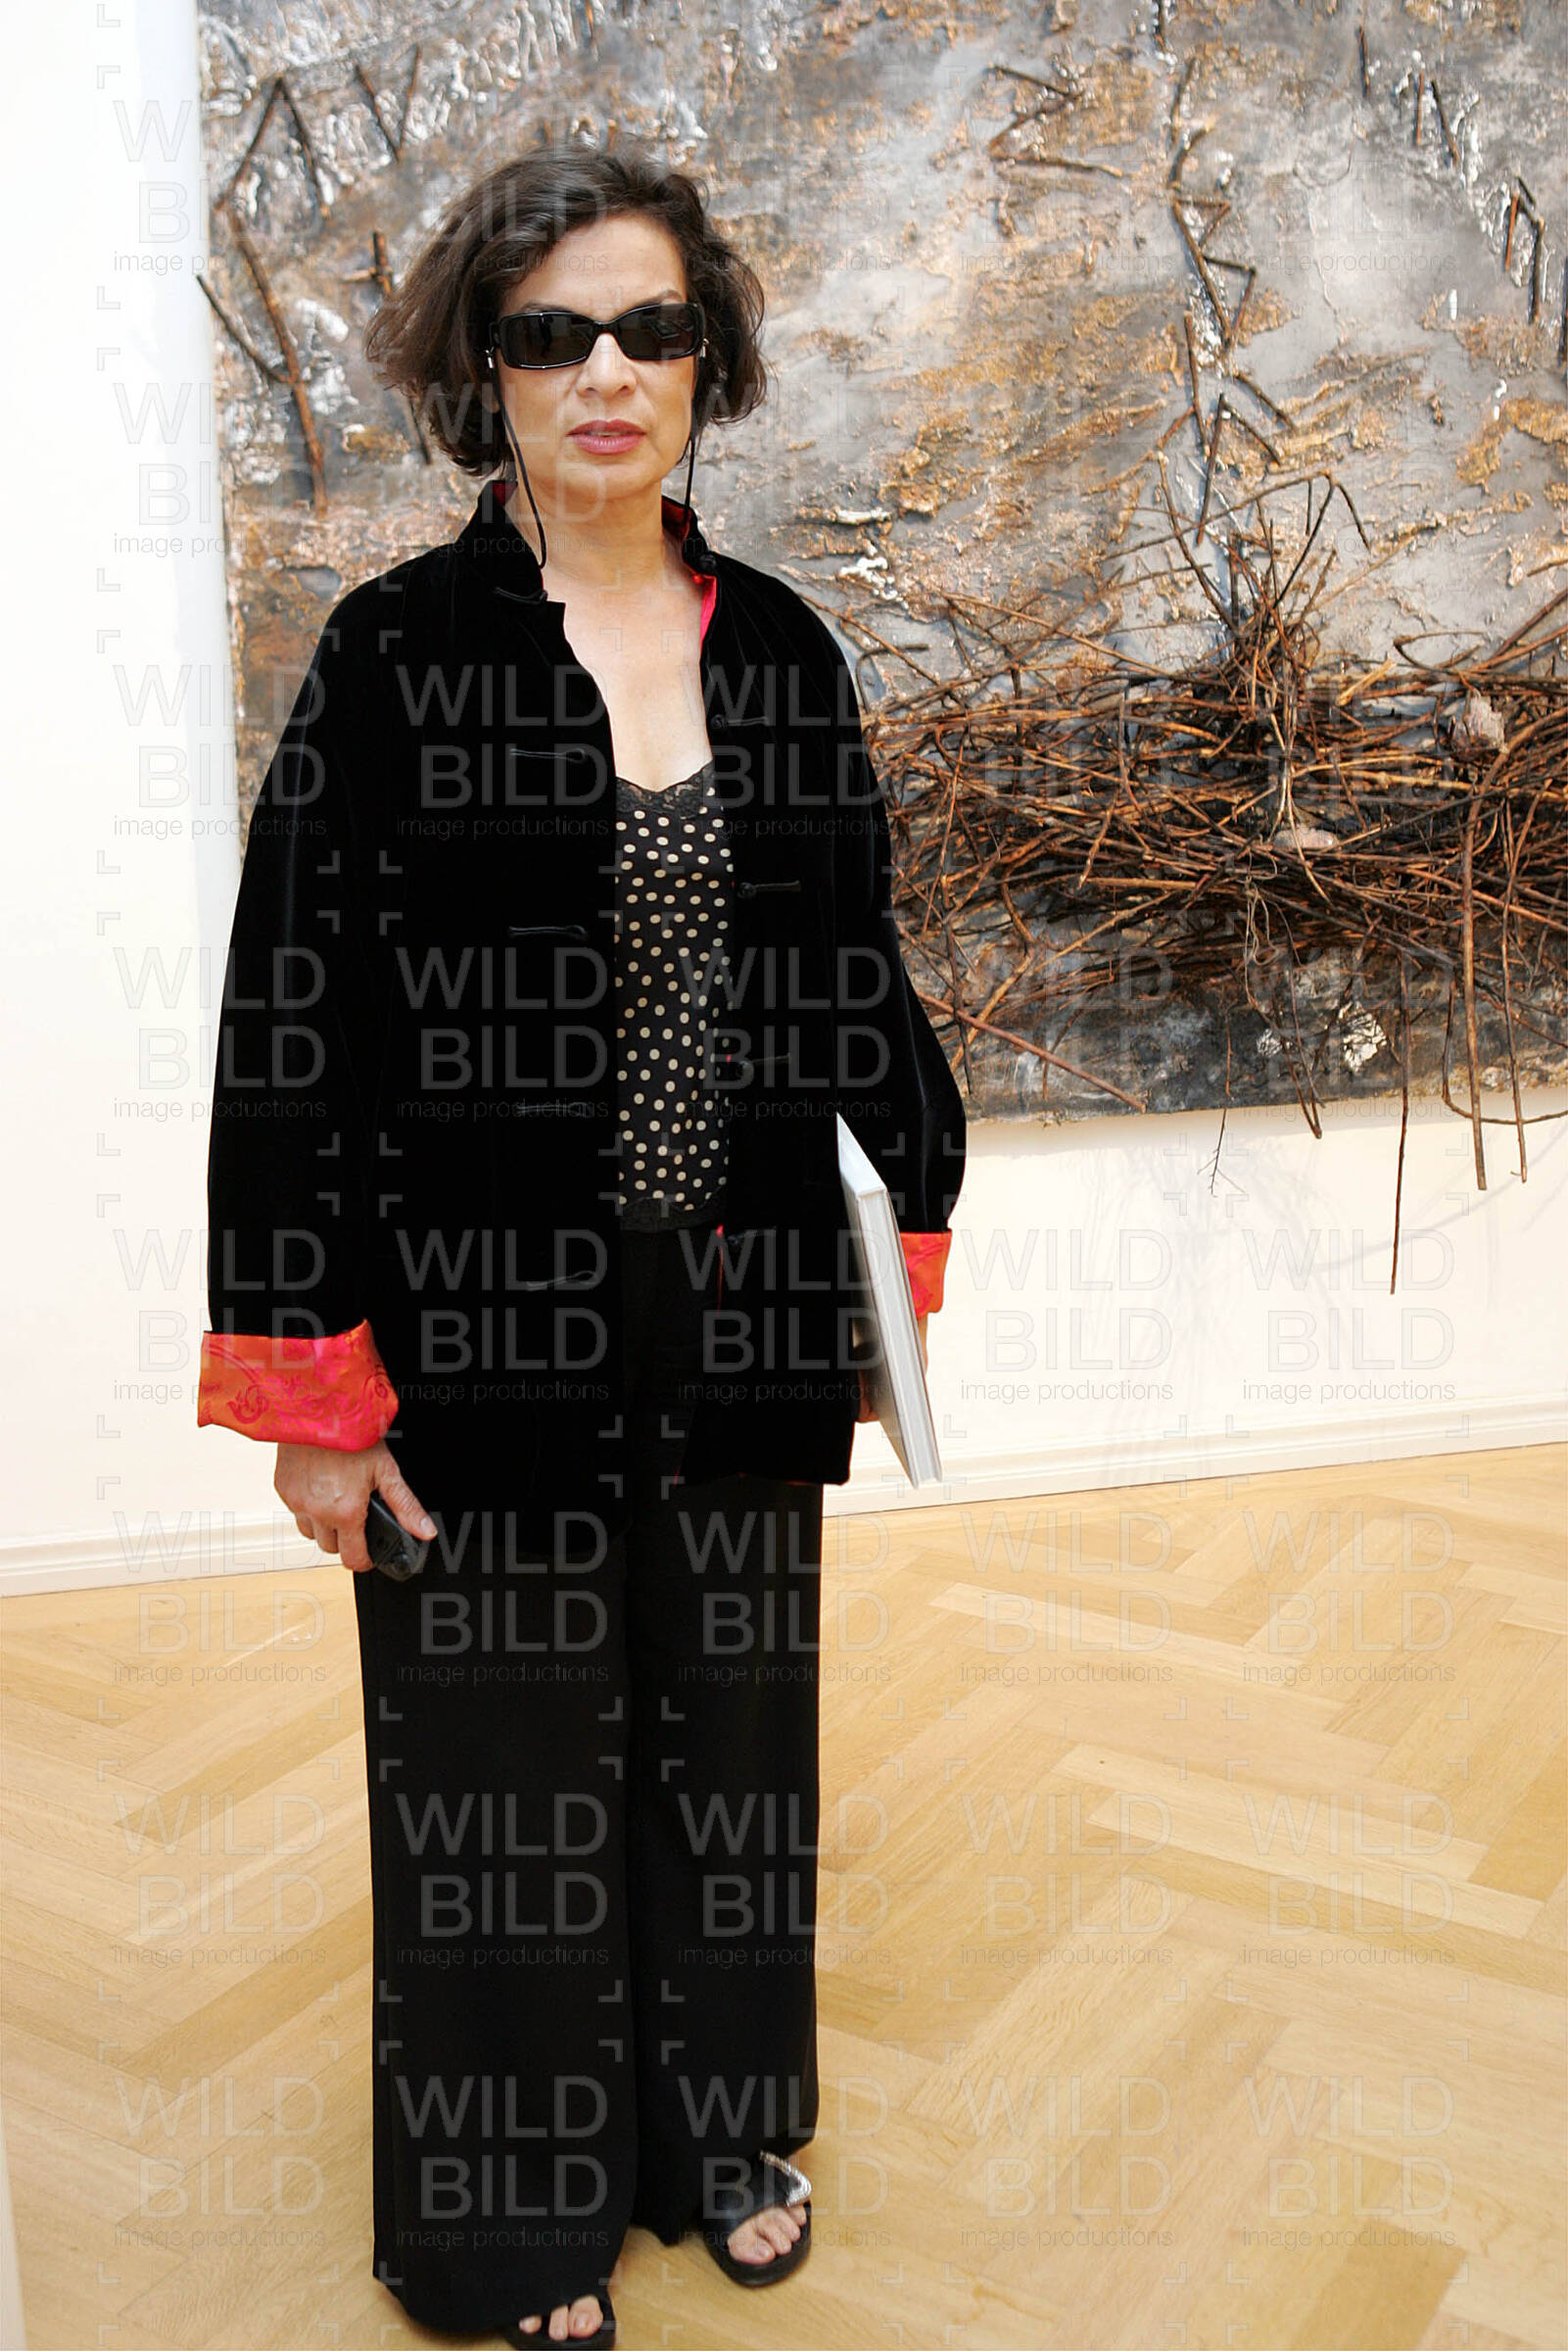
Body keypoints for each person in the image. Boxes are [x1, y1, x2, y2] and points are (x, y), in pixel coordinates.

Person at [198, 146, 967, 2347]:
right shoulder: (393, 657)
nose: (605, 372)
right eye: (552, 334)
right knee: (505, 1769)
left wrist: (896, 1239)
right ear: (489, 372)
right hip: (475, 1324)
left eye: (649, 328)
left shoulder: (784, 649)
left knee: (731, 1733)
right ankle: (514, 2217)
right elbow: (291, 1019)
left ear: (707, 358)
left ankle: (716, 2127)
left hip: (733, 1298)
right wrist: (311, 1383)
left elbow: (855, 974)